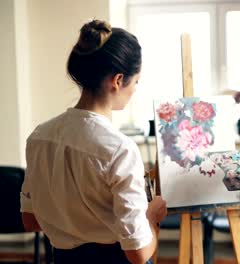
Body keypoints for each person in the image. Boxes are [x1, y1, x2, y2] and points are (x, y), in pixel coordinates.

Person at [20, 19, 167, 264]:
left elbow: (30, 220)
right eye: (137, 81)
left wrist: (74, 225)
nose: (135, 89)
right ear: (118, 80)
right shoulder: (120, 149)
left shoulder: (39, 137)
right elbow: (138, 254)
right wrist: (151, 217)